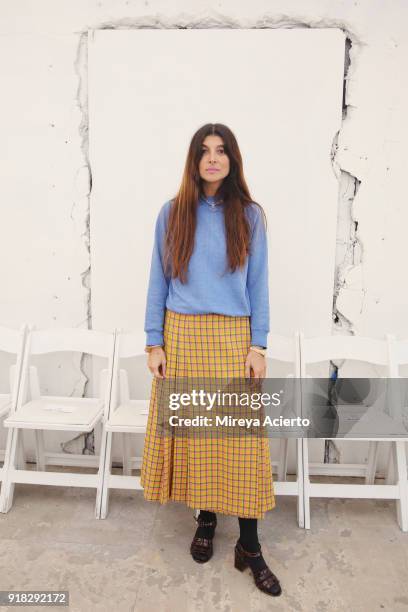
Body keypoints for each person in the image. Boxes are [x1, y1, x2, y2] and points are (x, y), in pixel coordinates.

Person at [140, 123, 281, 597]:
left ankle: (250, 547)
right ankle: (205, 520)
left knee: (239, 443)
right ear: (194, 160)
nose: (213, 158)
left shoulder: (250, 215)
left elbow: (258, 284)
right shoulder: (172, 212)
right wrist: (153, 341)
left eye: (221, 151)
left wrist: (258, 346)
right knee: (198, 438)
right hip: (182, 336)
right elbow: (157, 280)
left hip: (232, 337)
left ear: (233, 158)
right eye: (205, 151)